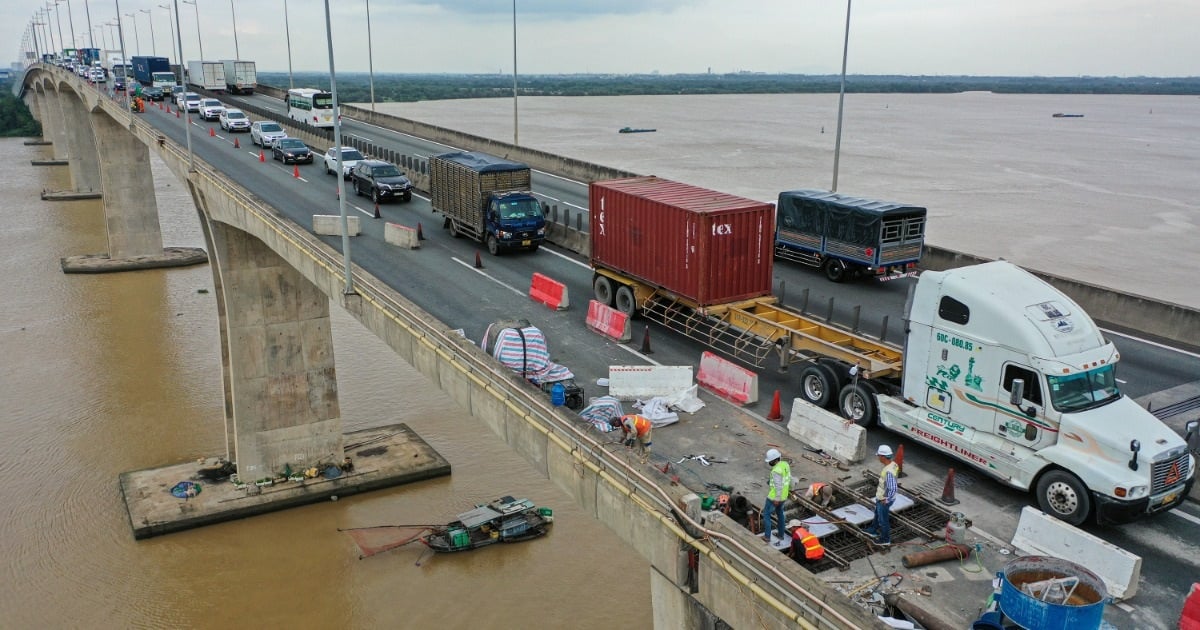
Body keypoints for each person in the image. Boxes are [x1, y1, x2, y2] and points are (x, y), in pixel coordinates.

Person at [862, 444, 899, 546]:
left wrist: (886, 499)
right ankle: (873, 530)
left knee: (883, 520)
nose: (878, 457)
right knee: (877, 514)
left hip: (884, 499)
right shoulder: (893, 465)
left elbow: (892, 487)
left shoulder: (889, 471)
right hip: (881, 497)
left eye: (879, 455)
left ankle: (885, 539)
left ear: (883, 456)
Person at [761, 448, 791, 544]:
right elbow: (787, 479)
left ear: (775, 460)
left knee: (766, 515)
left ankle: (767, 537)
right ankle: (781, 535)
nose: (769, 463)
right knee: (780, 514)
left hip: (774, 498)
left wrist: (777, 499)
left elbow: (778, 485)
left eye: (770, 461)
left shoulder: (775, 471)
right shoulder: (785, 464)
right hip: (784, 496)